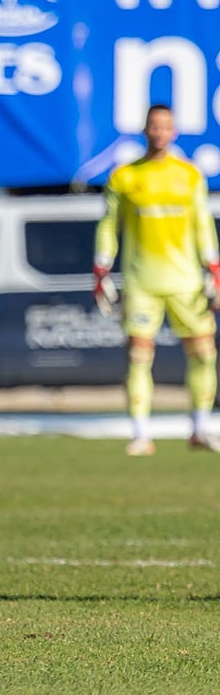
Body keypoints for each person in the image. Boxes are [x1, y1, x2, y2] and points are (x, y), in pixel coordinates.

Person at [93, 103, 220, 457]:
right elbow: (108, 225)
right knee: (138, 356)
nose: (160, 132)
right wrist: (102, 267)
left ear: (174, 132)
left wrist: (214, 268)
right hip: (142, 282)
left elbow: (202, 224)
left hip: (186, 282)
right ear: (145, 129)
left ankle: (200, 428)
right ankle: (140, 433)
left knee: (204, 354)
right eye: (154, 126)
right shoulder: (124, 177)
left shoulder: (190, 175)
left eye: (166, 127)